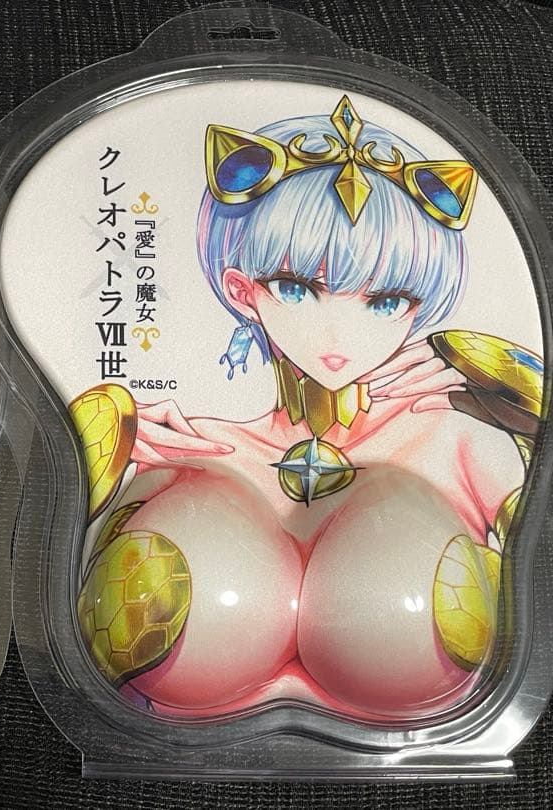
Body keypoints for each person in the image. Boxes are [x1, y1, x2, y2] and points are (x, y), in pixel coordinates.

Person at [74, 96, 541, 721]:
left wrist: (513, 384)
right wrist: (95, 440)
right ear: (243, 291)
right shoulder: (185, 447)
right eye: (296, 288)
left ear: (419, 309)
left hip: (416, 750)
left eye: (386, 300)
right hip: (177, 749)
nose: (338, 335)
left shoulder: (458, 439)